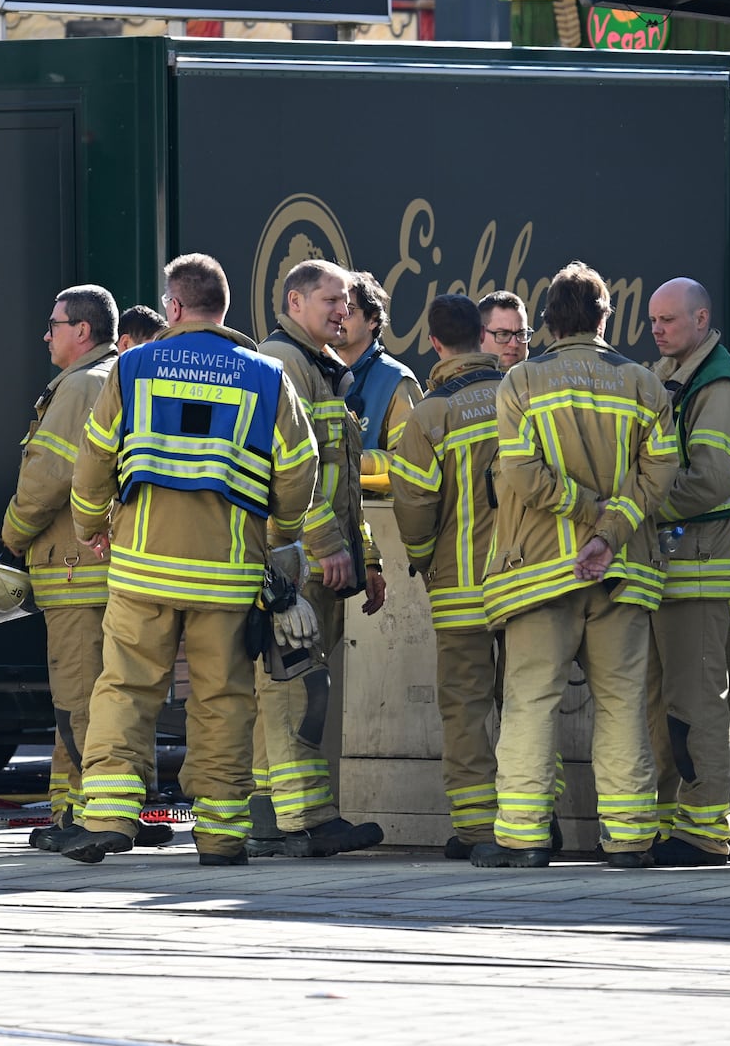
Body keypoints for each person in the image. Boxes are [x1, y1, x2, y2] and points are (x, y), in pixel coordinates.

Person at [58, 253, 318, 866]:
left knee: (124, 687)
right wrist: (278, 534)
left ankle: (109, 819)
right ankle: (222, 834)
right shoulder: (265, 375)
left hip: (143, 566)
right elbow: (298, 471)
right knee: (223, 699)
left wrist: (92, 525)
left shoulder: (132, 367)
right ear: (223, 308)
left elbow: (94, 459)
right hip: (227, 575)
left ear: (173, 307)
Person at [474, 261, 677, 869]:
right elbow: (661, 473)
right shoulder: (644, 383)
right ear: (603, 319)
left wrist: (585, 518)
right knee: (623, 702)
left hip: (538, 573)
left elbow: (521, 472)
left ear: (548, 323)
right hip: (624, 570)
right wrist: (609, 531)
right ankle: (631, 839)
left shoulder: (521, 383)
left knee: (531, 699)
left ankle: (524, 838)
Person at [3, 285, 173, 851]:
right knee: (123, 694)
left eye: (54, 324)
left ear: (83, 331)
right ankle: (126, 807)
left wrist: (9, 539)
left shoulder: (79, 386)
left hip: (74, 571)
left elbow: (47, 477)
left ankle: (83, 816)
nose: (46, 334)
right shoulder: (128, 376)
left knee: (77, 697)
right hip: (126, 567)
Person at [247, 258, 386, 858]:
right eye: (331, 300)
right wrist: (328, 547)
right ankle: (306, 819)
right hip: (298, 562)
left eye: (348, 303)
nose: (342, 312)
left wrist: (370, 558)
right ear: (295, 302)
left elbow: (340, 477)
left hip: (318, 560)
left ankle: (267, 819)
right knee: (296, 687)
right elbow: (291, 475)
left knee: (288, 685)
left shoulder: (321, 369)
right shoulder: (284, 365)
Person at [642, 278, 730, 867]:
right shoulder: (675, 375)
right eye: (653, 319)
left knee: (695, 704)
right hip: (674, 570)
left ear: (702, 318)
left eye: (668, 320)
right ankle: (674, 825)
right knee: (666, 705)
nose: (657, 329)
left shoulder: (717, 384)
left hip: (701, 571)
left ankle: (705, 831)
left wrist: (637, 505)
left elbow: (710, 481)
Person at [390, 293, 508, 859]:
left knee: (465, 706)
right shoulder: (522, 395)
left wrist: (421, 557)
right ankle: (533, 816)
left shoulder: (430, 413)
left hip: (460, 590)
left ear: (435, 342)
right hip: (529, 583)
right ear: (484, 336)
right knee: (528, 700)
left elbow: (412, 505)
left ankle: (477, 827)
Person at [337, 270, 421, 474]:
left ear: (373, 319)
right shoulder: (313, 369)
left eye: (348, 309)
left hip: (374, 505)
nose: (338, 315)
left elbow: (411, 460)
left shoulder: (397, 380)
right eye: (333, 306)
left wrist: (349, 460)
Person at [478, 290, 532, 371]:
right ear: (481, 335)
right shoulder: (459, 380)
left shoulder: (542, 380)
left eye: (521, 334)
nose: (514, 344)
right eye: (503, 334)